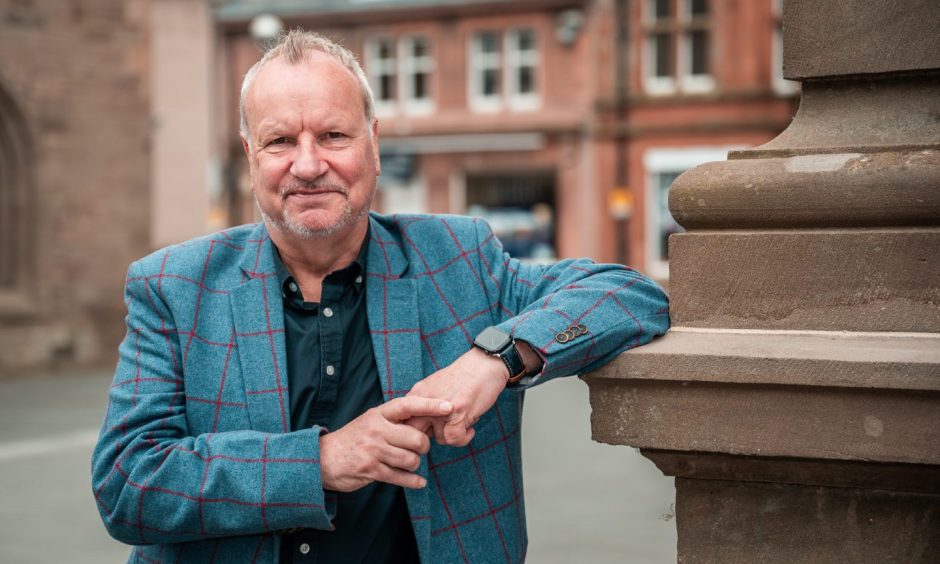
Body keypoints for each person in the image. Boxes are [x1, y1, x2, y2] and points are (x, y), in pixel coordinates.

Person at [92, 30, 669, 563]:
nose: (309, 164)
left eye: (333, 135)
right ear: (250, 156)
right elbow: (127, 483)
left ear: (372, 142)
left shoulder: (460, 258)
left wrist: (496, 360)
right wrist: (319, 462)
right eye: (280, 141)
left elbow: (630, 294)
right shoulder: (172, 285)